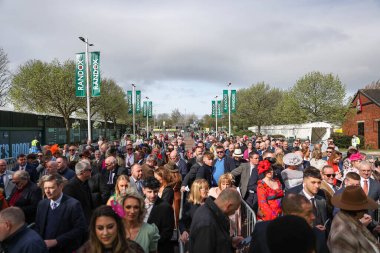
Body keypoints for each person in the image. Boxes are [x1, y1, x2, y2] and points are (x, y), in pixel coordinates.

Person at [249, 193, 329, 253]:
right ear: (292, 215)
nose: (313, 217)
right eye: (308, 213)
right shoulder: (261, 230)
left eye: (312, 212)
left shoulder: (317, 235)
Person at [34, 174, 87, 253]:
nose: (47, 191)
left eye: (51, 188)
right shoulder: (42, 204)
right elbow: (38, 226)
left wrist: (57, 241)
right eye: (45, 188)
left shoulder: (73, 205)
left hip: (64, 248)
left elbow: (80, 228)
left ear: (61, 186)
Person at [189, 188, 243, 253]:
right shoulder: (207, 223)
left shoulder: (210, 212)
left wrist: (230, 241)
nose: (234, 213)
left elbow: (216, 241)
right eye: (234, 210)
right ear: (228, 206)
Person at [328, 186, 379, 253]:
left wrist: (373, 231)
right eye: (364, 207)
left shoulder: (350, 219)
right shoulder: (342, 233)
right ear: (357, 209)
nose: (366, 211)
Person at [77, 205, 144, 253]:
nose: (105, 233)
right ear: (94, 229)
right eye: (100, 228)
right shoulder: (85, 250)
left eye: (110, 227)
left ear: (118, 226)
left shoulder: (134, 249)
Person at [142, 177, 175, 253]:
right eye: (149, 192)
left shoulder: (165, 207)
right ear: (143, 190)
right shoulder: (138, 204)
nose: (153, 195)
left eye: (155, 191)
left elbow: (167, 232)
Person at [63, 160, 94, 225]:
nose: (91, 171)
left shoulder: (86, 182)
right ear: (83, 172)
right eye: (90, 170)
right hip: (79, 222)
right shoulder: (70, 186)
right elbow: (70, 208)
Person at [179, 179, 209, 244]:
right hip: (196, 238)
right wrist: (184, 231)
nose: (208, 191)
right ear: (197, 191)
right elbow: (182, 221)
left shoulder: (211, 202)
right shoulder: (189, 205)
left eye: (207, 188)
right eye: (205, 189)